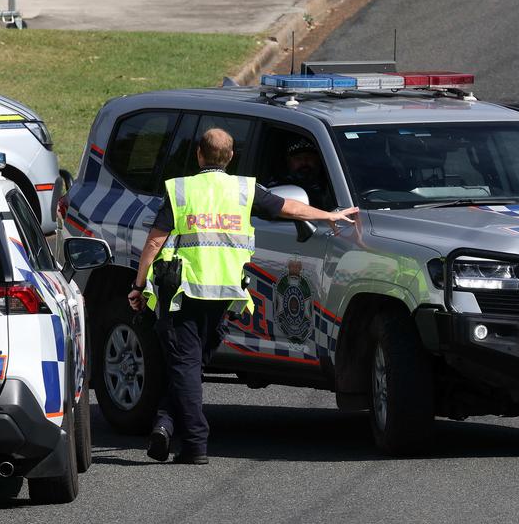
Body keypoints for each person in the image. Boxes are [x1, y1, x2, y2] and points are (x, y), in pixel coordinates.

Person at [127, 128, 358, 465]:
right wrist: (329, 215)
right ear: (230, 157)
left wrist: (138, 285)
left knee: (185, 365)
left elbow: (154, 242)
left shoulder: (181, 189)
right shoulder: (243, 189)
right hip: (226, 293)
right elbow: (289, 207)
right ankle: (165, 422)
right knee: (187, 365)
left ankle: (194, 444)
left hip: (184, 291)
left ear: (199, 155)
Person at [273, 137, 334, 210]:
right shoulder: (279, 187)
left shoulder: (334, 181)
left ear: (318, 159)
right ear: (288, 161)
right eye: (298, 158)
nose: (304, 162)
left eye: (309, 157)